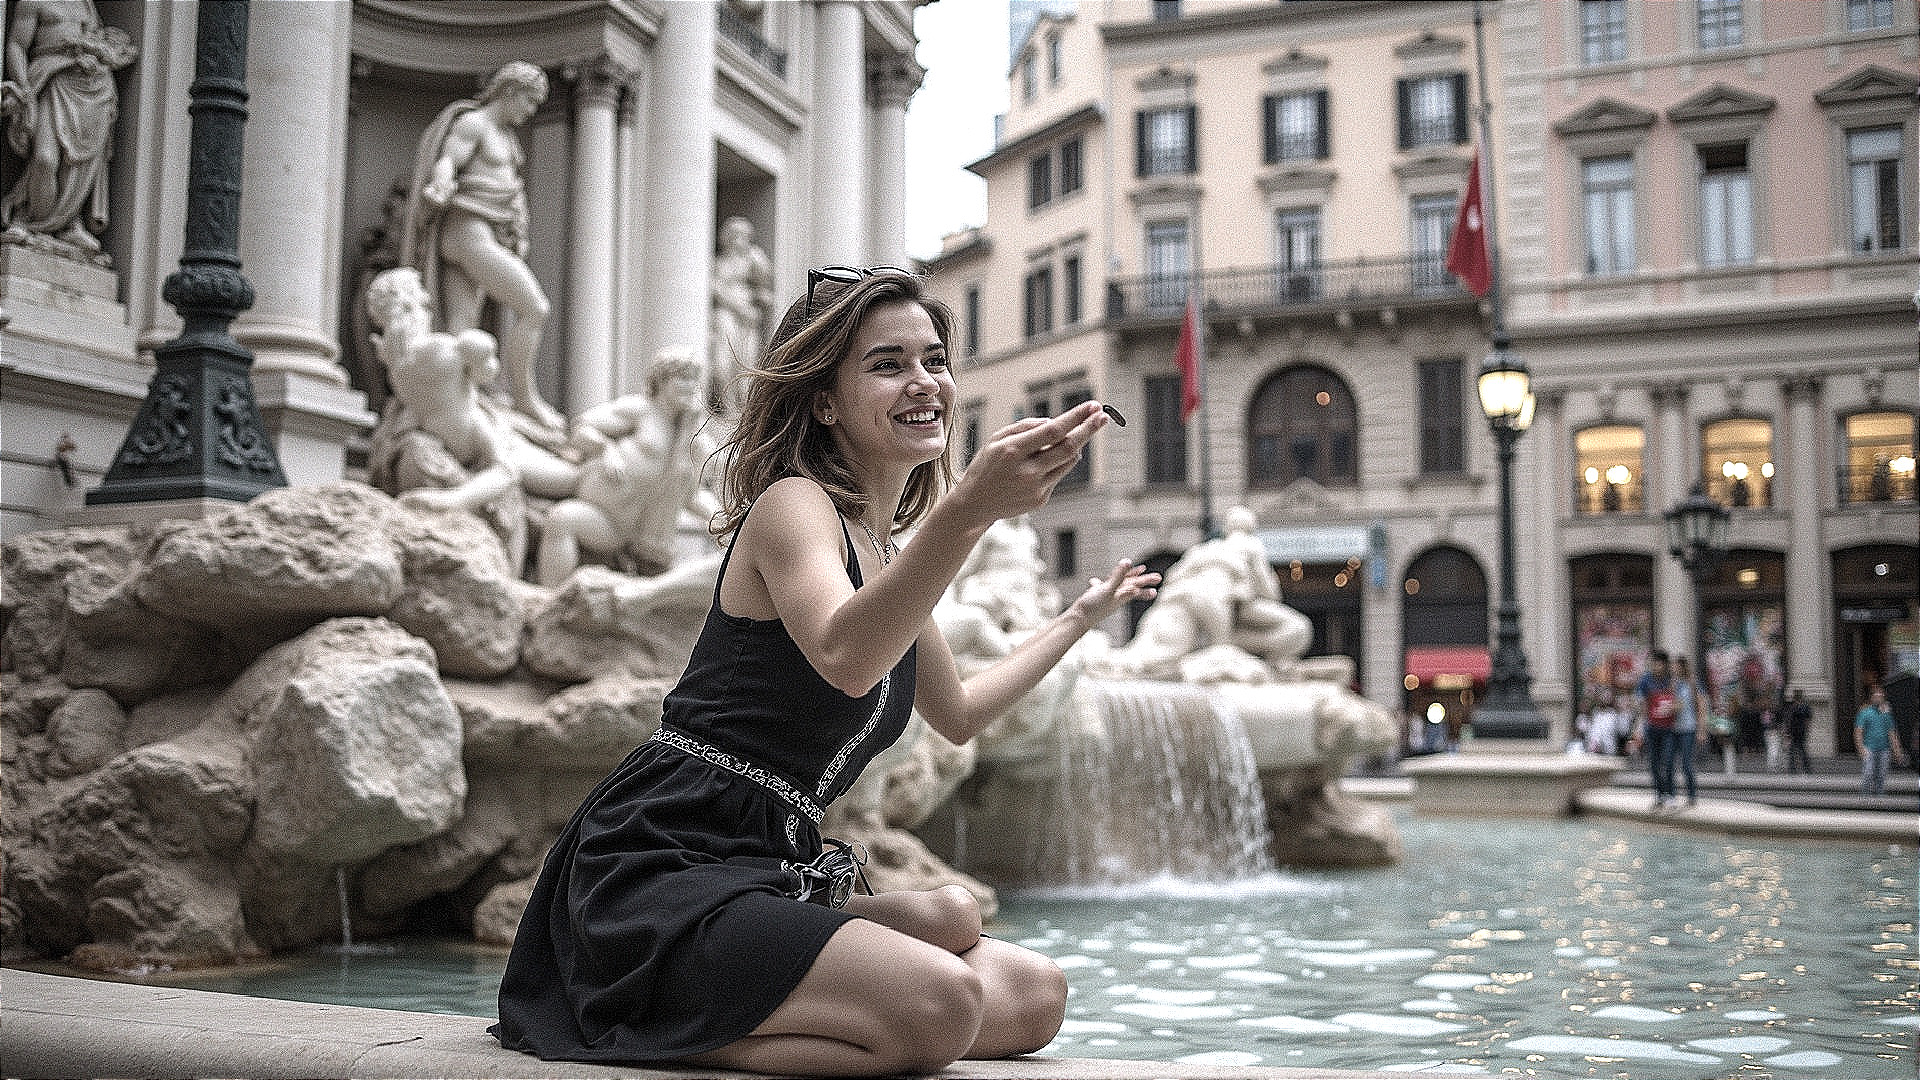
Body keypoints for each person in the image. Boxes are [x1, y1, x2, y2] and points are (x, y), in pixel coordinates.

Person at [491, 267, 1158, 1074]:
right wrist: (969, 511)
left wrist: (1075, 623)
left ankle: (761, 1001)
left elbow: (959, 713)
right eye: (888, 364)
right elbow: (845, 657)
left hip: (773, 865)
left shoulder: (885, 555)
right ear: (824, 401)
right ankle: (639, 1017)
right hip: (667, 861)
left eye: (936, 360)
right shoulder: (792, 507)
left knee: (1032, 992)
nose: (925, 383)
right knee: (942, 1005)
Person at [402, 61, 560, 432]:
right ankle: (525, 398)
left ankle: (460, 404)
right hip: (469, 232)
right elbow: (447, 161)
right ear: (509, 91)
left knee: (463, 326)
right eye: (529, 101)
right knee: (535, 308)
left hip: (481, 234)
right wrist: (441, 184)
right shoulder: (475, 123)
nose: (530, 111)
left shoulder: (506, 137)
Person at [534, 345, 724, 588]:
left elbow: (692, 495)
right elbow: (581, 428)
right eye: (682, 377)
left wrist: (722, 521)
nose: (690, 386)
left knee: (563, 519)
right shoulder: (640, 410)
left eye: (694, 379)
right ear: (662, 380)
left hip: (622, 528)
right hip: (592, 500)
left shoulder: (693, 439)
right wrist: (605, 448)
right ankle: (550, 601)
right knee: (560, 519)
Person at [1, 0, 136, 252]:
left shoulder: (86, 4)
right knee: (45, 159)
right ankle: (29, 218)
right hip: (51, 81)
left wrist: (99, 56)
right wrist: (24, 89)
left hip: (92, 91)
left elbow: (98, 42)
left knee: (75, 167)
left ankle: (68, 224)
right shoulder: (32, 2)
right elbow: (16, 46)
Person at [708, 215, 775, 412]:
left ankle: (743, 409)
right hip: (726, 313)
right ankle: (728, 407)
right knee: (723, 361)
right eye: (738, 235)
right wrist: (739, 308)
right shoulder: (718, 263)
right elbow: (715, 289)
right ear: (728, 237)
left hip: (748, 316)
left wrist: (758, 259)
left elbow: (764, 285)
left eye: (746, 236)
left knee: (746, 363)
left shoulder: (752, 259)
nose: (743, 240)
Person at [1636, 650, 1680, 810]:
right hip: (1651, 727)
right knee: (1654, 763)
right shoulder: (1645, 680)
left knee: (1668, 762)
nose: (1655, 666)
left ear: (1664, 664)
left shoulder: (1672, 680)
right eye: (1652, 662)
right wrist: (1642, 725)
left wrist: (1672, 707)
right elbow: (1641, 702)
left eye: (1657, 662)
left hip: (1669, 728)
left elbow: (1680, 701)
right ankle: (1660, 795)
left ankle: (1671, 794)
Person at [1855, 685, 1906, 797]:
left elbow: (1892, 733)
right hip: (1869, 748)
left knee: (1882, 774)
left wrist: (1897, 751)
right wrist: (1860, 748)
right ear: (1871, 697)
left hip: (1884, 748)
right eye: (1876, 696)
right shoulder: (1865, 712)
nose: (1879, 698)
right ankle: (1865, 794)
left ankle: (1879, 794)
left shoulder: (1886, 714)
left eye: (1881, 696)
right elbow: (1858, 731)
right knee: (1868, 772)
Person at [1670, 654, 1704, 807]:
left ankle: (1691, 795)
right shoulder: (1672, 684)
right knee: (1669, 762)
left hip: (1688, 728)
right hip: (1672, 728)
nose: (1674, 668)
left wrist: (1701, 729)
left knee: (1686, 764)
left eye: (1676, 665)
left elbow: (1701, 706)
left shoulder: (1692, 684)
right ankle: (1670, 795)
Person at [1783, 688, 1813, 775]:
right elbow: (1808, 719)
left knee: (1795, 750)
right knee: (1800, 750)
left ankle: (1794, 768)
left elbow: (1789, 720)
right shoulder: (1804, 707)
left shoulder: (1793, 707)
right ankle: (1803, 768)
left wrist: (1787, 732)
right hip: (1799, 731)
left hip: (1796, 731)